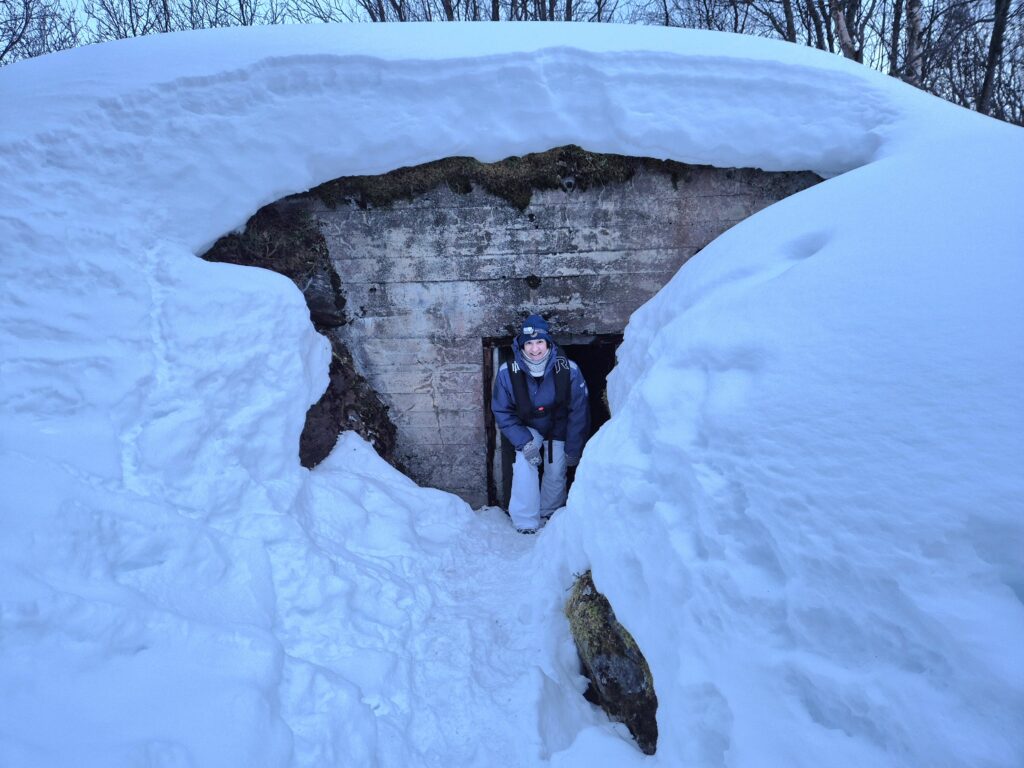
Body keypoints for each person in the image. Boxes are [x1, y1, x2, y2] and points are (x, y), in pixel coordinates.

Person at [491, 314, 590, 534]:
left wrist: (573, 448)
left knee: (556, 468)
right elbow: (502, 410)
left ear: (548, 343)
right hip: (527, 426)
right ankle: (525, 520)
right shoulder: (508, 372)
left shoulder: (569, 370)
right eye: (529, 343)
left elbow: (579, 412)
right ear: (521, 345)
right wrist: (523, 442)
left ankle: (549, 514)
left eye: (539, 342)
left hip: (558, 425)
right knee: (526, 460)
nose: (534, 349)